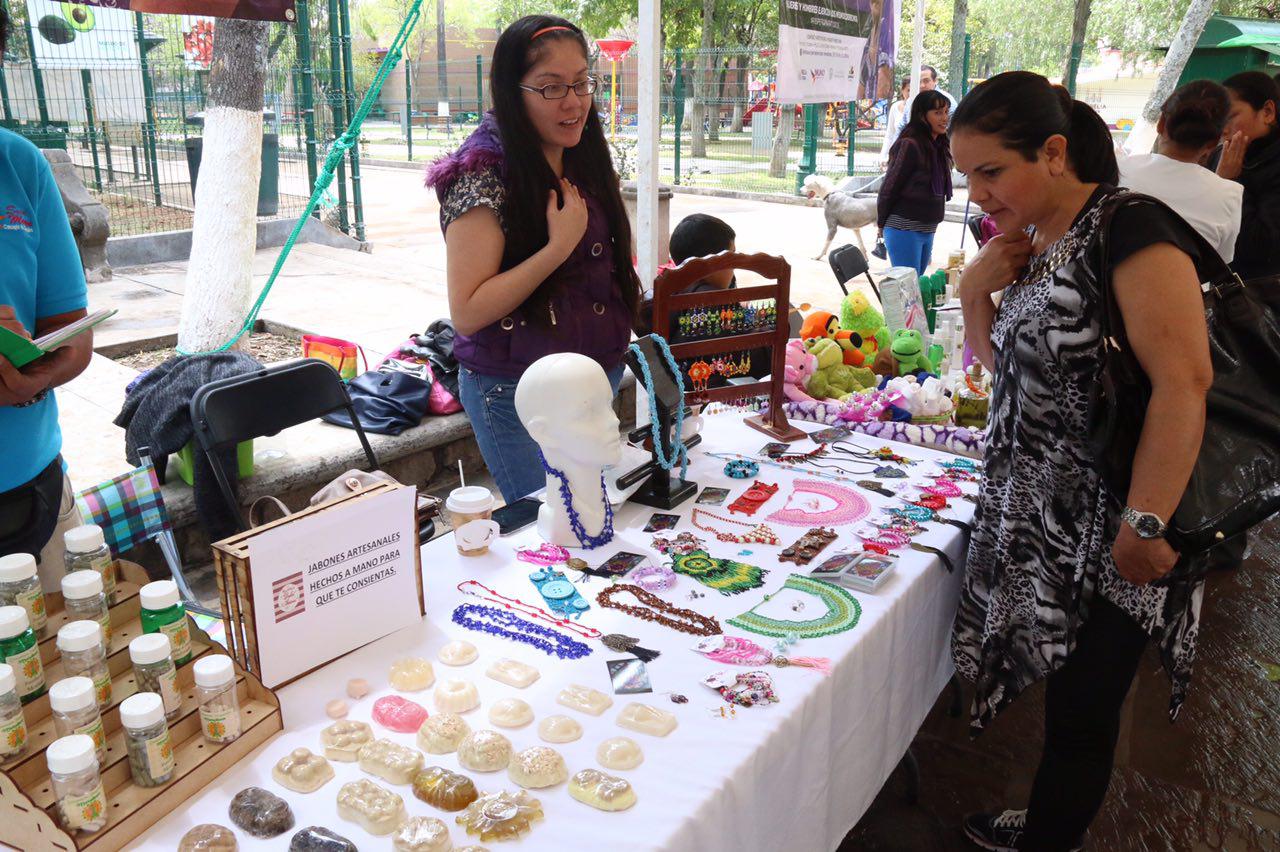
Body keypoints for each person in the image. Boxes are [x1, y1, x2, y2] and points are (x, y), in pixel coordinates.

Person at [950, 71, 1212, 851]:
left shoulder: (1132, 230)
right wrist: (974, 298)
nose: (978, 194)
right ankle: (1049, 817)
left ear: (1055, 152)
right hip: (1045, 522)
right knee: (1061, 698)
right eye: (967, 176)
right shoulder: (1038, 240)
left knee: (1082, 715)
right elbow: (1015, 380)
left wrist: (1145, 522)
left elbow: (1184, 383)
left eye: (992, 171)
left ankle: (1050, 839)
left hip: (1116, 522)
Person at [426, 15, 640, 504]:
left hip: (594, 374)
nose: (574, 101)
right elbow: (469, 310)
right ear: (512, 91)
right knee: (553, 532)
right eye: (550, 88)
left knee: (596, 518)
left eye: (582, 82)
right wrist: (556, 248)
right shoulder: (480, 175)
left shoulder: (580, 151)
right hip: (517, 390)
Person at [0, 3, 93, 577]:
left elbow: (72, 333)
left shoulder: (17, 163)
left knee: (72, 650)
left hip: (35, 488)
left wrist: (38, 374)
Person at [1118, 80, 1241, 261]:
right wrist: (1222, 181)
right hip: (1188, 288)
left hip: (1110, 286)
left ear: (1161, 124)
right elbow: (1222, 259)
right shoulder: (1230, 194)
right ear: (1214, 142)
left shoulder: (1118, 170)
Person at [876, 90, 953, 276]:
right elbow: (890, 187)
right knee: (907, 291)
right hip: (904, 227)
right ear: (921, 115)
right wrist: (881, 222)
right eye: (937, 113)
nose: (944, 118)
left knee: (916, 287)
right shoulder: (909, 144)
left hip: (928, 228)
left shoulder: (940, 146)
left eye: (946, 112)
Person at [1216, 71, 1280, 279]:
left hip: (1261, 301)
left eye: (1231, 116)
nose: (1223, 129)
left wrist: (1231, 184)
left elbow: (1261, 247)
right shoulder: (1221, 155)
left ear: (1268, 112)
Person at [892, 65, 958, 140]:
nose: (922, 85)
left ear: (935, 81)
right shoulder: (911, 101)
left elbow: (954, 130)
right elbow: (902, 127)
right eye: (918, 81)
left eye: (926, 81)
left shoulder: (947, 101)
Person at [878, 78, 912, 170]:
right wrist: (883, 156)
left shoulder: (921, 110)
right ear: (902, 90)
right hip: (896, 155)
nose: (911, 94)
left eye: (914, 90)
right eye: (908, 90)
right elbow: (890, 134)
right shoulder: (895, 107)